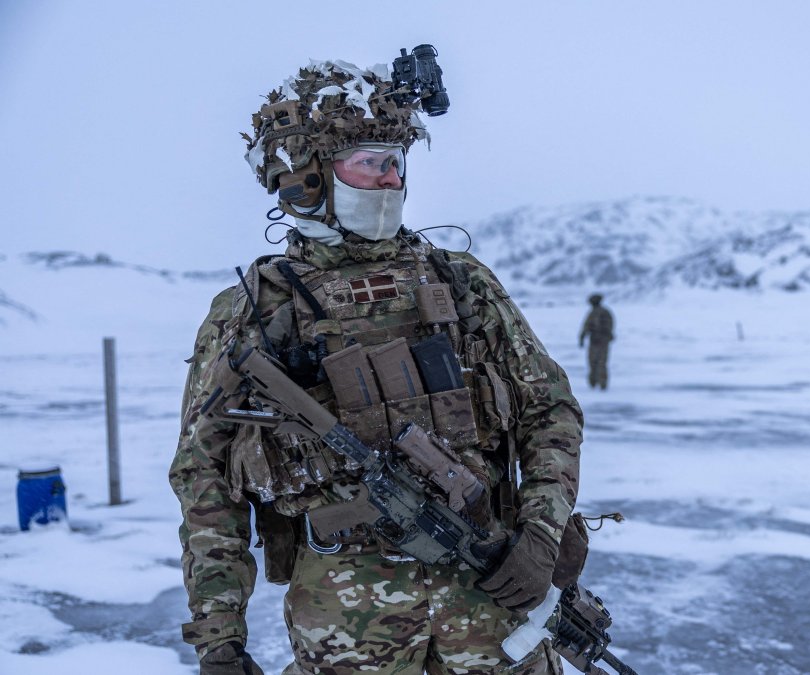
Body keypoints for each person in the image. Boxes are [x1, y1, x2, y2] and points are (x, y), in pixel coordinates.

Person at [169, 57, 582, 675]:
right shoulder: (259, 309)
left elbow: (549, 410)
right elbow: (205, 478)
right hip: (349, 628)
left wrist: (540, 535)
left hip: (492, 597)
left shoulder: (459, 282)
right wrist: (219, 639)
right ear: (302, 177)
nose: (391, 178)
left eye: (396, 161)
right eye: (370, 162)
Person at [578, 294, 614, 390]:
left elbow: (586, 327)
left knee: (594, 362)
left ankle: (595, 384)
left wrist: (581, 338)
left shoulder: (594, 313)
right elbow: (610, 327)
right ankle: (600, 384)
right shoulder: (606, 312)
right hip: (601, 342)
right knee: (600, 362)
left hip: (597, 341)